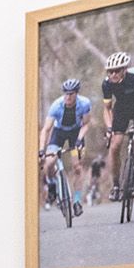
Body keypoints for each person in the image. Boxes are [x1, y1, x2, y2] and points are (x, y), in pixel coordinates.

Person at [100, 52, 134, 202]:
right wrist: (109, 127)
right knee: (115, 145)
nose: (113, 74)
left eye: (116, 70)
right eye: (110, 71)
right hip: (121, 110)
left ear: (125, 69)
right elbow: (107, 108)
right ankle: (116, 185)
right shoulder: (106, 83)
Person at [39, 79, 92, 214]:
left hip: (75, 134)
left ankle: (77, 201)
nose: (68, 97)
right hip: (59, 133)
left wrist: (80, 139)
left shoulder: (84, 103)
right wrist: (41, 150)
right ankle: (51, 184)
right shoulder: (56, 106)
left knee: (77, 166)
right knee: (49, 162)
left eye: (71, 94)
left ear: (76, 94)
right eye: (66, 94)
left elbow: (86, 124)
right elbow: (46, 129)